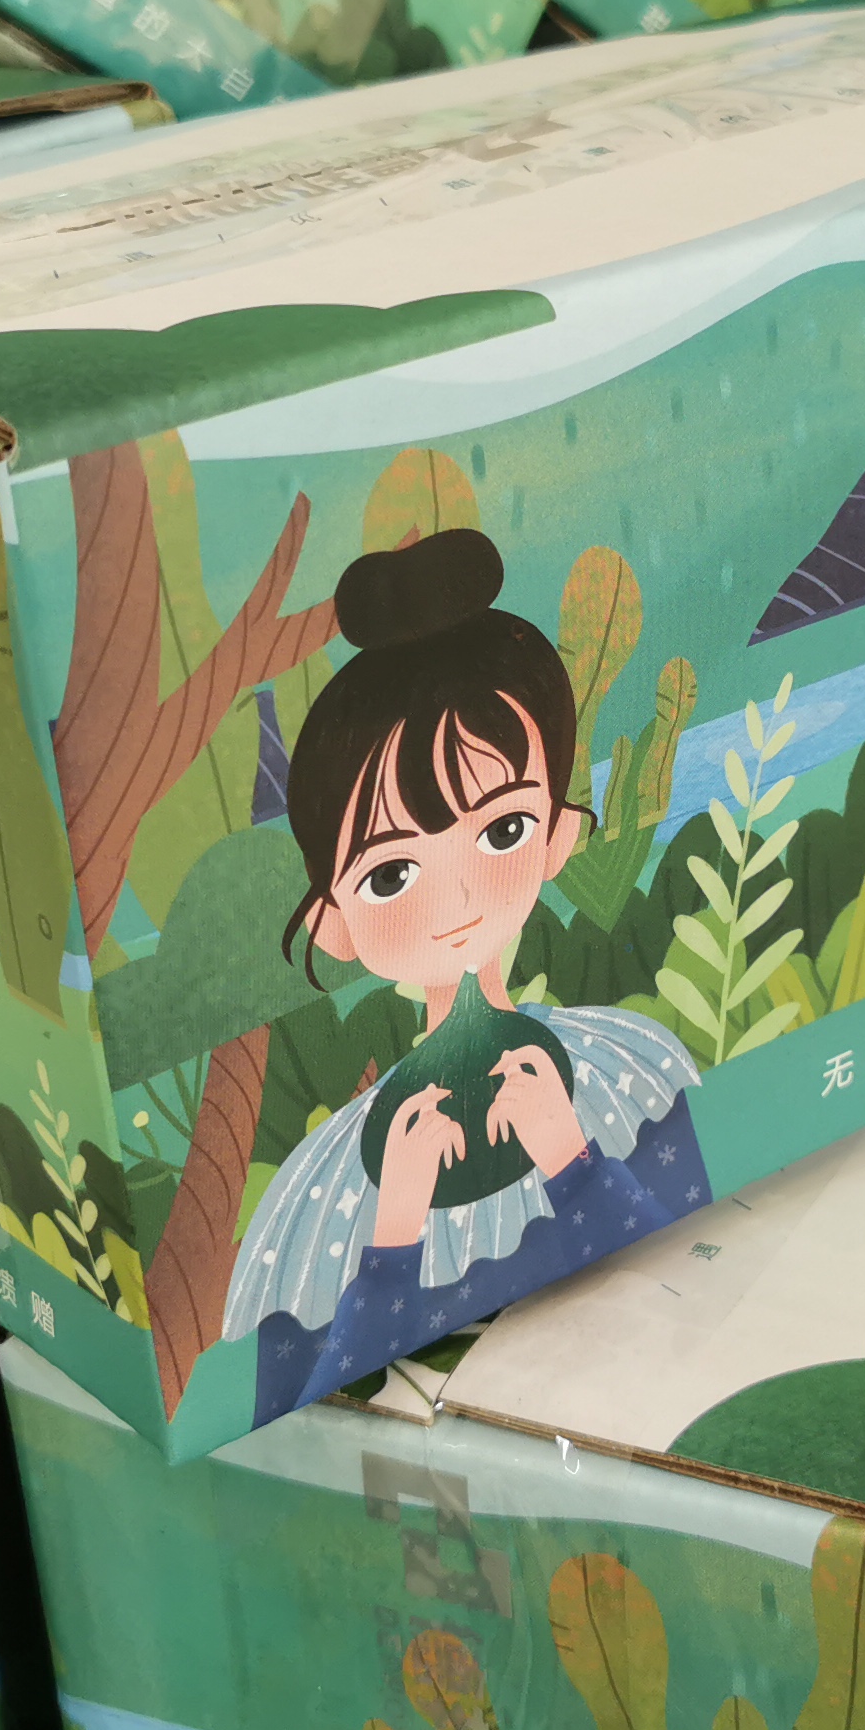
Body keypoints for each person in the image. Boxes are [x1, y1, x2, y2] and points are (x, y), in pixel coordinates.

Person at [221, 527, 704, 1422]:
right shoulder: (325, 1195)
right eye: (391, 874)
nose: (458, 898)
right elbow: (297, 1395)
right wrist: (397, 1222)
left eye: (503, 831)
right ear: (333, 923)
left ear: (558, 836)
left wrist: (569, 1158)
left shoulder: (626, 1075)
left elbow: (686, 1260)